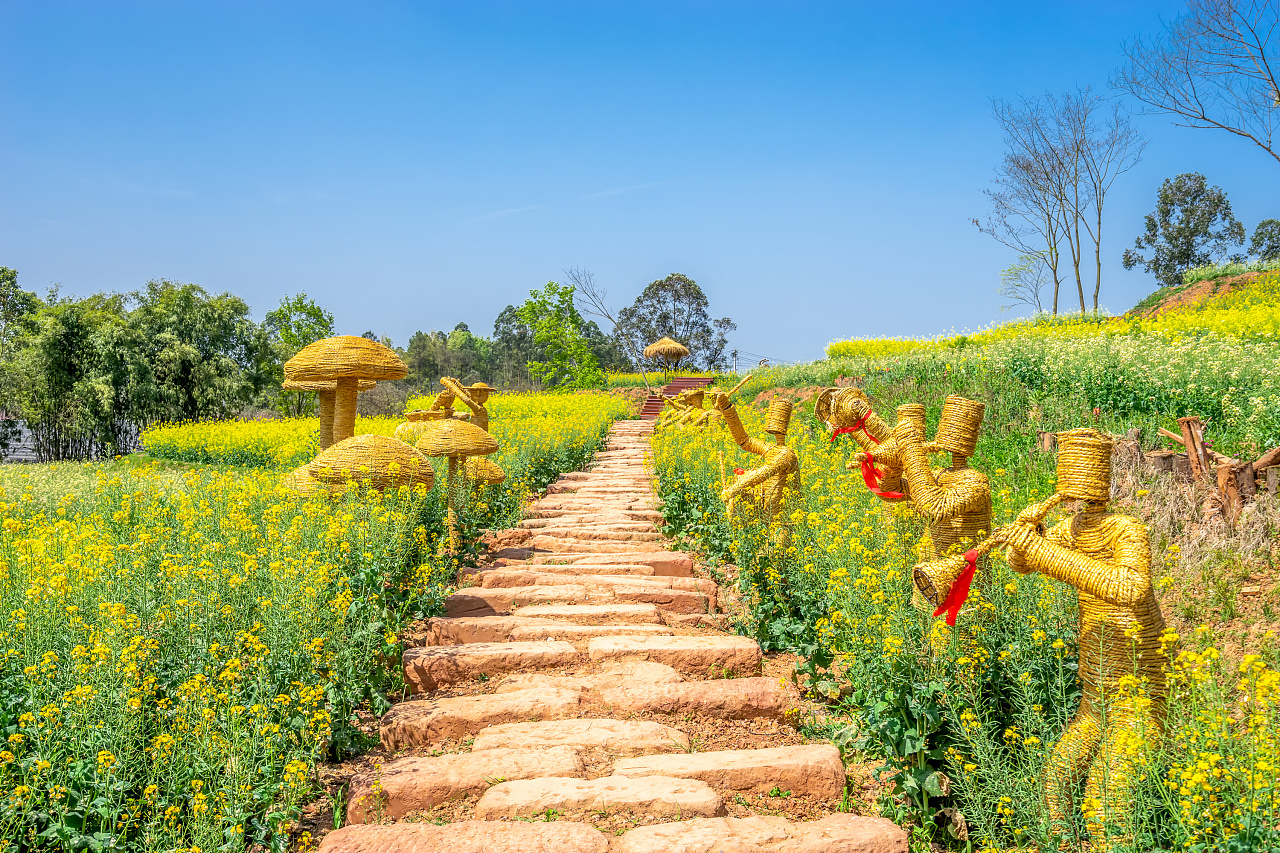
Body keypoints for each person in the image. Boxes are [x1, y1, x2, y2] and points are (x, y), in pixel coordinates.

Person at [1003, 428, 1166, 838]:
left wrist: (1043, 551)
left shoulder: (1125, 528)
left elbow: (1132, 586)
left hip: (1138, 690)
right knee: (1056, 781)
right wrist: (1026, 535)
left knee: (1106, 799)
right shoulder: (1072, 529)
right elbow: (1019, 564)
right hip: (1096, 690)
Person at [890, 395, 993, 610]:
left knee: (966, 635)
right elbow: (891, 489)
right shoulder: (939, 475)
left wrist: (910, 448)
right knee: (930, 632)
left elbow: (933, 506)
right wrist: (894, 463)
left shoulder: (975, 481)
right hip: (929, 575)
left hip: (963, 578)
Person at [715, 396, 801, 554]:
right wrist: (727, 409)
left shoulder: (786, 454)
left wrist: (734, 490)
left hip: (784, 519)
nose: (774, 427)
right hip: (767, 514)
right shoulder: (771, 449)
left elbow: (765, 472)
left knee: (776, 555)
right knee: (765, 555)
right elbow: (744, 440)